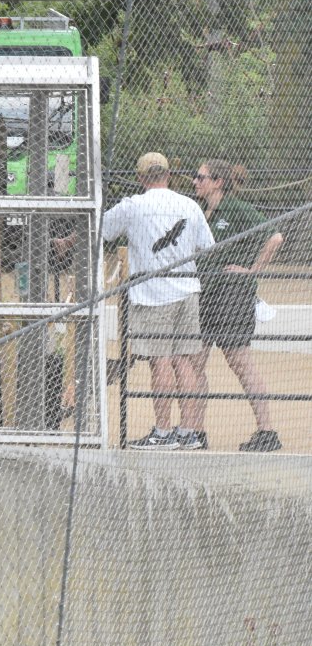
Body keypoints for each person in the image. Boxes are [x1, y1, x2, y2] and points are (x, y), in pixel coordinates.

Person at [57, 152, 214, 449]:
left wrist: (66, 242)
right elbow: (206, 246)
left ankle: (164, 432)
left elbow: (98, 229)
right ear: (169, 174)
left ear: (141, 178)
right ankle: (190, 431)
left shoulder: (133, 206)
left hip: (154, 294)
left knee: (161, 362)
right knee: (185, 362)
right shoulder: (190, 205)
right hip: (187, 290)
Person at [191, 161, 284, 452]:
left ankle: (267, 432)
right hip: (203, 295)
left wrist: (252, 270)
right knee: (195, 363)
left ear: (218, 182)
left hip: (232, 295)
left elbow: (275, 236)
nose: (195, 181)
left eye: (201, 177)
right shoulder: (200, 211)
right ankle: (196, 432)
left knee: (240, 363)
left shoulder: (238, 209)